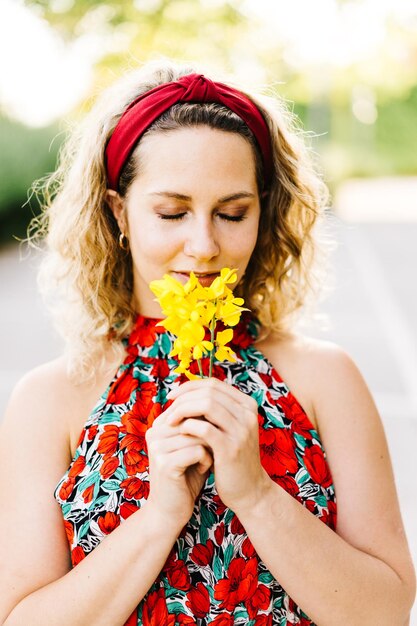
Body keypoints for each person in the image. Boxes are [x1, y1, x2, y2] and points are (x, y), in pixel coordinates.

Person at [0, 59, 415, 626]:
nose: (203, 246)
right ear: (119, 212)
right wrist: (158, 516)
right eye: (172, 212)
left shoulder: (325, 378)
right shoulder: (49, 399)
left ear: (263, 214)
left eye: (232, 212)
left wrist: (257, 494)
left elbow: (385, 612)